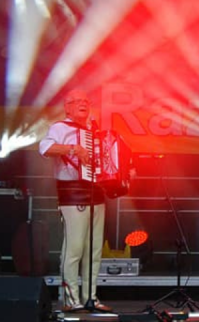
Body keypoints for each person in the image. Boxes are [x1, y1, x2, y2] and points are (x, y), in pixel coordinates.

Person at [39, 90, 111, 312]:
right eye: (77, 101)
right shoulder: (60, 128)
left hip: (96, 194)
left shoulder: (95, 131)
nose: (83, 104)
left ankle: (91, 298)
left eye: (86, 101)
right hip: (73, 194)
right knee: (74, 248)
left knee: (94, 251)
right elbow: (44, 148)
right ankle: (70, 299)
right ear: (67, 107)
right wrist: (73, 148)